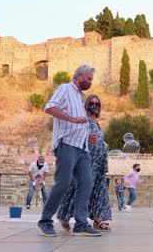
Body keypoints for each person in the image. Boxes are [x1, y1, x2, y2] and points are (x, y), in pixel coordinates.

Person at [37, 64, 102, 237]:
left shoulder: (80, 97)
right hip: (67, 145)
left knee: (86, 183)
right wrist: (72, 119)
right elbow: (49, 107)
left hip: (83, 148)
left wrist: (88, 137)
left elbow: (78, 124)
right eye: (88, 79)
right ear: (79, 76)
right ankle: (45, 220)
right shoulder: (65, 89)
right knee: (63, 183)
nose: (90, 82)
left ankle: (81, 224)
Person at [57, 94, 112, 232]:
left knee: (99, 189)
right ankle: (64, 215)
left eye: (97, 104)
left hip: (99, 163)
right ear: (86, 105)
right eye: (91, 103)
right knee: (78, 188)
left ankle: (98, 218)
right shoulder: (83, 120)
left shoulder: (96, 122)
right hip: (87, 160)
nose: (94, 106)